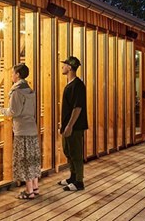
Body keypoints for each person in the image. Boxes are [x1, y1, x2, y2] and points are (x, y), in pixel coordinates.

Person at [0, 63, 41, 199]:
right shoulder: (30, 90)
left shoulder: (17, 92)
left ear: (17, 75)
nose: (11, 75)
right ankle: (35, 187)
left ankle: (29, 191)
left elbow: (13, 112)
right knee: (32, 159)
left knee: (24, 159)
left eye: (12, 73)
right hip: (32, 129)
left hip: (22, 130)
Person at [58, 56, 88, 192]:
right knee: (68, 151)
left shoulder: (78, 85)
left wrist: (70, 126)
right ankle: (73, 177)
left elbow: (78, 107)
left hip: (75, 126)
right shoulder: (70, 84)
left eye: (64, 65)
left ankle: (79, 182)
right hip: (68, 125)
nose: (62, 67)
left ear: (69, 67)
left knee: (76, 153)